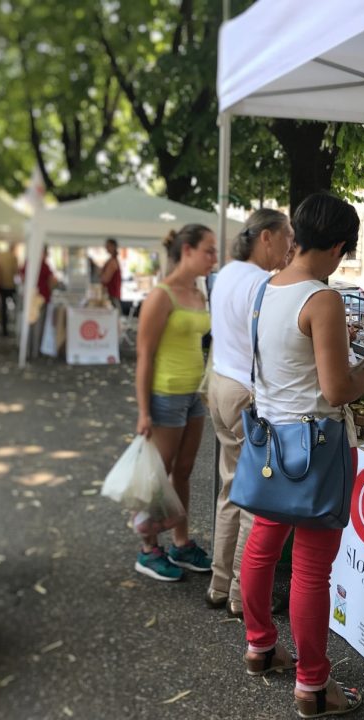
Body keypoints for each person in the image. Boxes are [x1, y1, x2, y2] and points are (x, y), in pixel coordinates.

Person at [239, 193, 364, 718]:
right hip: (318, 448)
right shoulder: (322, 298)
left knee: (262, 546)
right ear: (339, 246)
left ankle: (260, 646)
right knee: (310, 570)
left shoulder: (268, 288)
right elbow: (335, 390)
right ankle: (312, 686)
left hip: (271, 444)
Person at [206, 209, 294, 618]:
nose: (291, 246)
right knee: (253, 500)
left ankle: (219, 583)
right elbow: (273, 344)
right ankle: (243, 596)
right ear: (266, 237)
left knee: (228, 489)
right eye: (287, 237)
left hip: (220, 384)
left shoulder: (225, 273)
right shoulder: (264, 283)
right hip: (247, 392)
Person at [133, 224, 217, 581]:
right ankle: (148, 549)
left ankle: (180, 543)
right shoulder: (161, 295)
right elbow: (144, 355)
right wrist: (143, 411)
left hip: (193, 394)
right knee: (157, 477)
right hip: (165, 395)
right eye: (209, 251)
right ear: (187, 251)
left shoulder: (199, 291)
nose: (214, 258)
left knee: (183, 471)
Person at [0, 245, 19, 337]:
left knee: (3, 309)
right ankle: (15, 325)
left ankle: (4, 329)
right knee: (16, 306)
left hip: (1, 285)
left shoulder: (0, 256)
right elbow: (16, 271)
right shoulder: (13, 257)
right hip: (10, 285)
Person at [100, 237, 121, 309]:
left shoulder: (113, 261)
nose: (106, 248)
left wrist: (100, 276)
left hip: (112, 294)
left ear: (113, 247)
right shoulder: (111, 260)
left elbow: (105, 278)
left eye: (108, 246)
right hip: (112, 294)